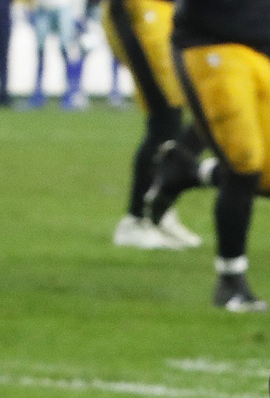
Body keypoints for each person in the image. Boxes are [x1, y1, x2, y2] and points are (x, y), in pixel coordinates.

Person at [164, 0, 270, 311]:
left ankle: (186, 173)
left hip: (261, 49)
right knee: (244, 162)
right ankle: (230, 282)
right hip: (208, 43)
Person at [102, 0, 205, 249]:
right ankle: (135, 220)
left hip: (167, 13)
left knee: (188, 114)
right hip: (139, 12)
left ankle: (158, 212)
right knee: (164, 117)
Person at [28, 0, 87, 109]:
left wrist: (78, 13)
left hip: (63, 6)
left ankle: (69, 93)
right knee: (40, 49)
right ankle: (37, 93)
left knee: (65, 48)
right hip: (42, 7)